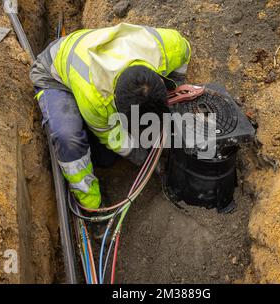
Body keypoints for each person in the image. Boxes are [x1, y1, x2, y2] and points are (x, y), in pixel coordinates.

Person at [29, 23, 191, 209]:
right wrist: (146, 161)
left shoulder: (167, 46)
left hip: (90, 49)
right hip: (53, 74)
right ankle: (93, 204)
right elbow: (114, 137)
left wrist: (177, 87)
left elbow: (185, 52)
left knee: (109, 155)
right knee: (73, 141)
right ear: (116, 103)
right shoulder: (95, 98)